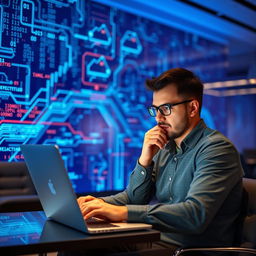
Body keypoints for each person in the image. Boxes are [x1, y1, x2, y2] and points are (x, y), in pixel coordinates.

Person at [76, 68, 244, 255]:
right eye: (155, 109)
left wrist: (122, 213)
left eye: (165, 109)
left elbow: (195, 215)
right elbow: (134, 199)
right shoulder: (166, 147)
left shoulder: (217, 149)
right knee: (78, 247)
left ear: (193, 108)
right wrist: (94, 204)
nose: (158, 118)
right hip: (156, 240)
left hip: (190, 250)